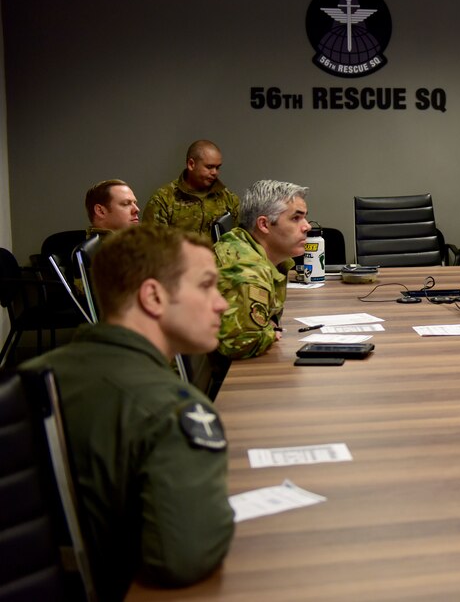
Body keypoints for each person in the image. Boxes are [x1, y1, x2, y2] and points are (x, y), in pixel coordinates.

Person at [19, 224, 233, 600]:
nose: (221, 302)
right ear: (153, 297)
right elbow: (184, 559)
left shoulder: (24, 380)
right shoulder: (173, 412)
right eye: (205, 285)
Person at [214, 179, 310, 360]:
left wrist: (269, 323)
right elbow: (241, 344)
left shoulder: (242, 241)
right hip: (224, 379)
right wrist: (269, 332)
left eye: (304, 217)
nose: (307, 226)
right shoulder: (247, 272)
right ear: (264, 224)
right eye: (295, 218)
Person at [146, 140, 241, 237]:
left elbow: (240, 241)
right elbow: (153, 245)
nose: (214, 172)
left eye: (217, 167)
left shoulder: (228, 199)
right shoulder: (163, 199)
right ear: (191, 164)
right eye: (209, 167)